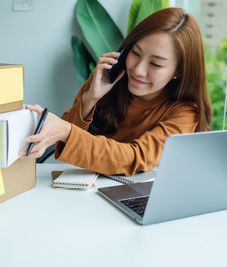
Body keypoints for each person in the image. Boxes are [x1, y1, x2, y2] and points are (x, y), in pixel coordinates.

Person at [19, 8, 212, 176]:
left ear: (178, 71)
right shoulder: (107, 79)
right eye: (135, 53)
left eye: (155, 64)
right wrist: (90, 98)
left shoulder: (185, 111)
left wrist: (67, 132)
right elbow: (62, 141)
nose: (138, 69)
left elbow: (134, 157)